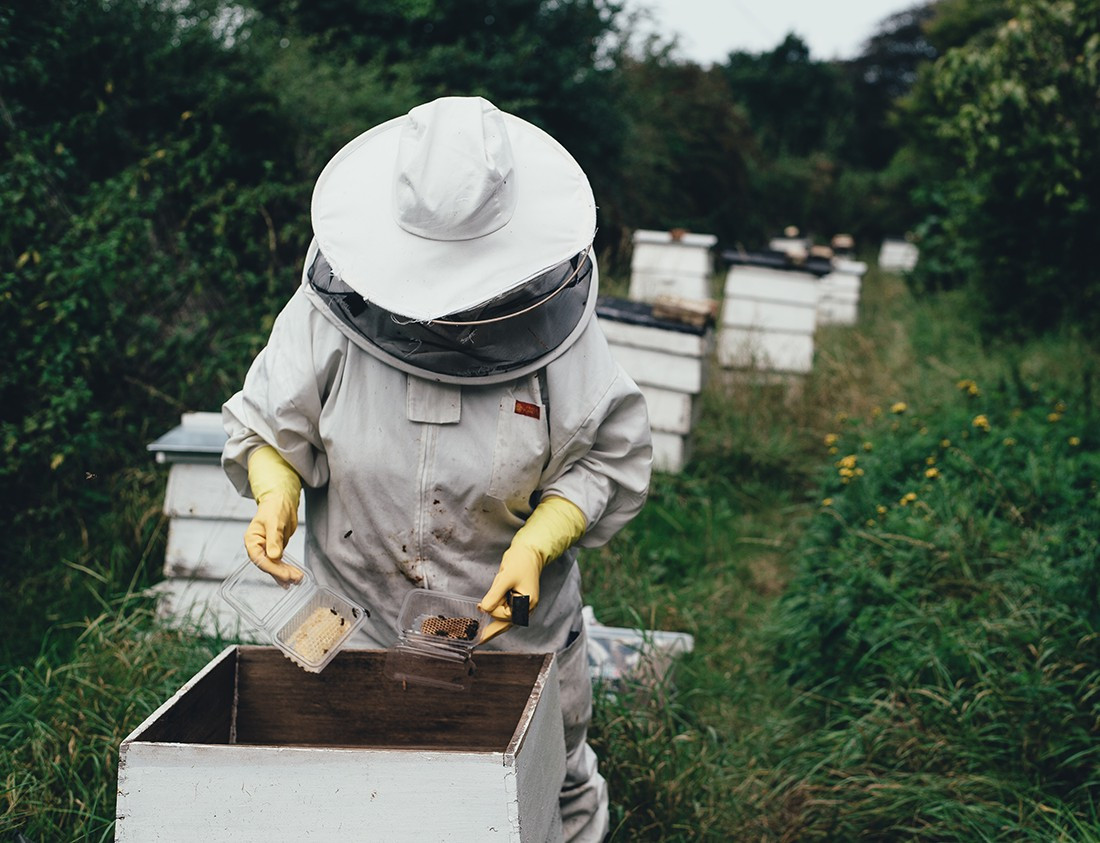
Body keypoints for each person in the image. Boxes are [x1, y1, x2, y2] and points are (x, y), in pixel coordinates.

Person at [221, 95, 652, 842]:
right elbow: (272, 423)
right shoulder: (328, 311)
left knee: (547, 789)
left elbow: (602, 459)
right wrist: (274, 489)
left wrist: (536, 544)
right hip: (348, 621)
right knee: (360, 796)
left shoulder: (563, 338)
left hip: (506, 631)